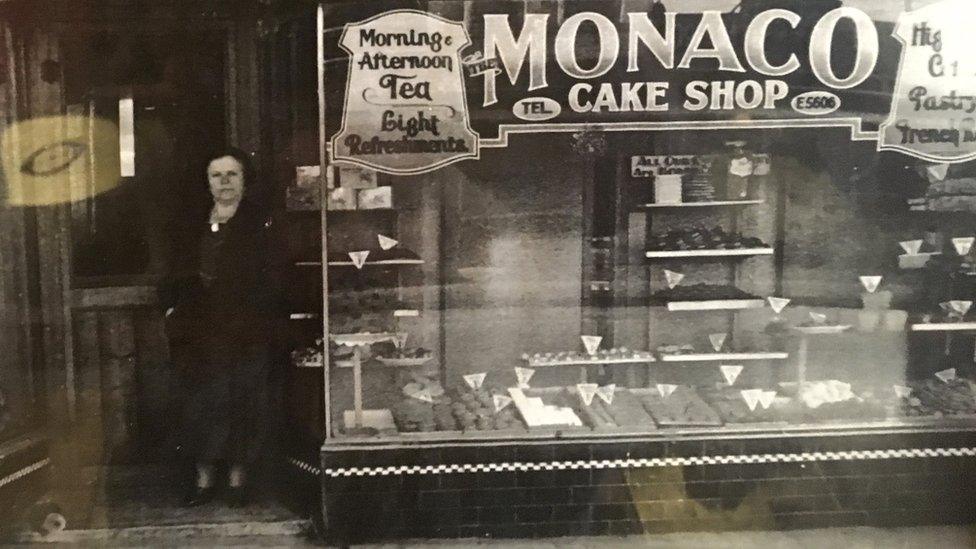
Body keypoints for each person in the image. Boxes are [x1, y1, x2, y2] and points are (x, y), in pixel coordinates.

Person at [162, 147, 276, 507]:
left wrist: (259, 314)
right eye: (217, 175)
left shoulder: (261, 221)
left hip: (245, 328)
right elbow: (173, 270)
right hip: (199, 330)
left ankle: (238, 481)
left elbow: (273, 275)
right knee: (201, 403)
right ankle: (203, 479)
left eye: (232, 174)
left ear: (244, 179)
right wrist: (171, 309)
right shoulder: (191, 222)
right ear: (207, 181)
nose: (224, 182)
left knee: (244, 401)